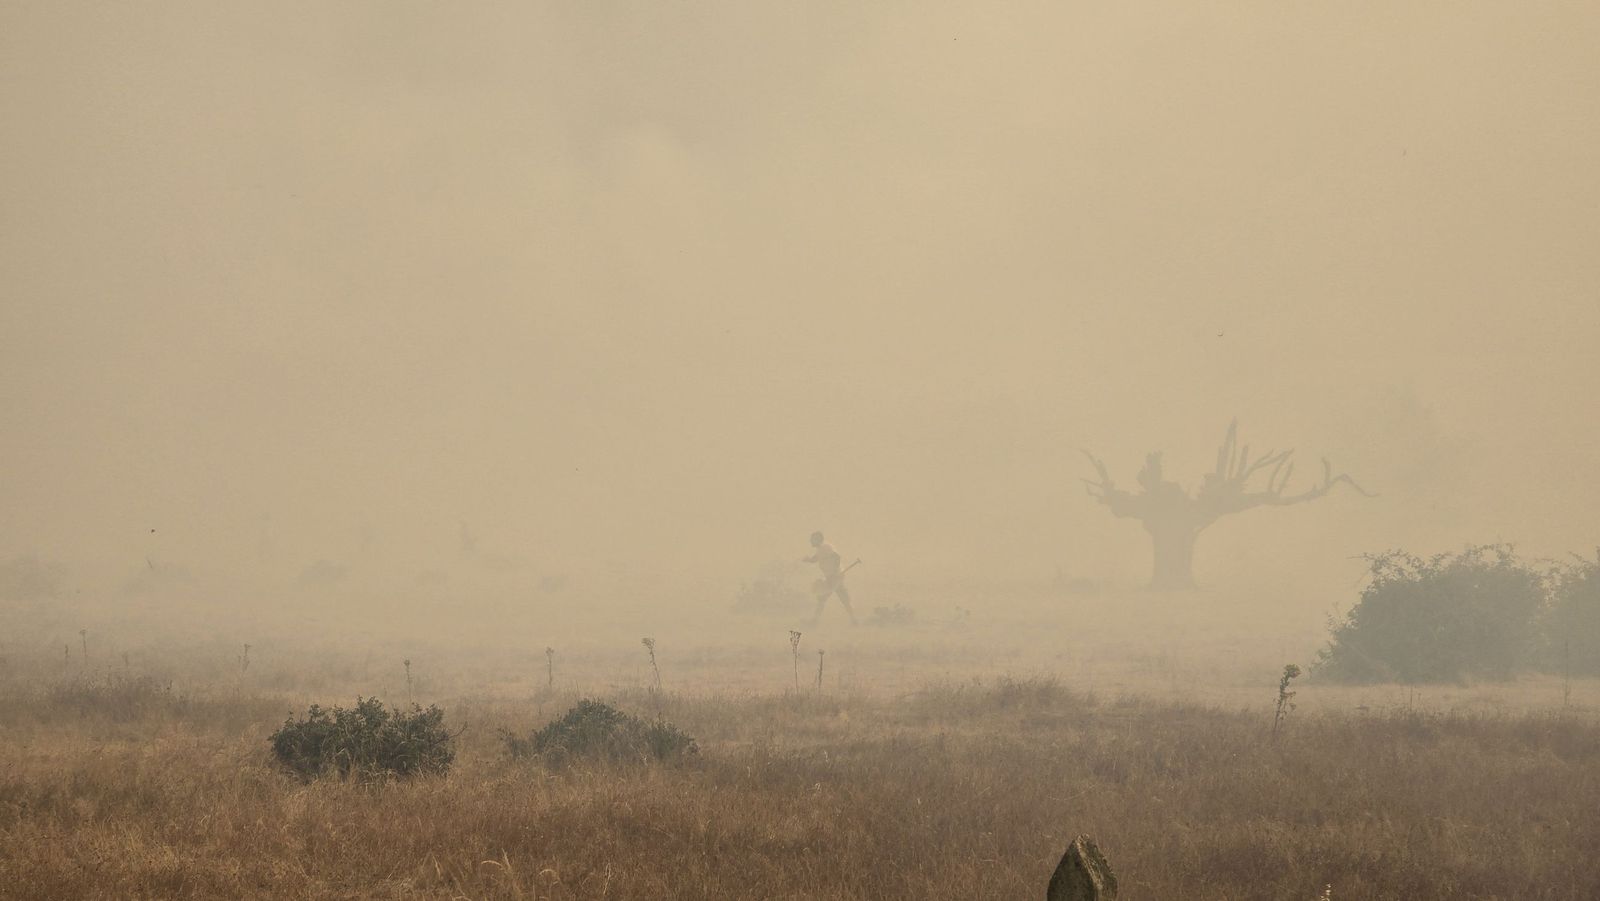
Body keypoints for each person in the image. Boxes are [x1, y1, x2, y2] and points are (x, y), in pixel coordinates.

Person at [802, 531, 857, 625]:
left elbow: (837, 557)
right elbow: (816, 558)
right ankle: (854, 620)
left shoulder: (826, 547)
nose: (810, 541)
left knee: (822, 598)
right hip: (833, 577)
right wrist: (809, 560)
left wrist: (834, 572)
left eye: (812, 539)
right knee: (843, 599)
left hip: (835, 577)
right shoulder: (820, 549)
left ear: (817, 539)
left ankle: (814, 621)